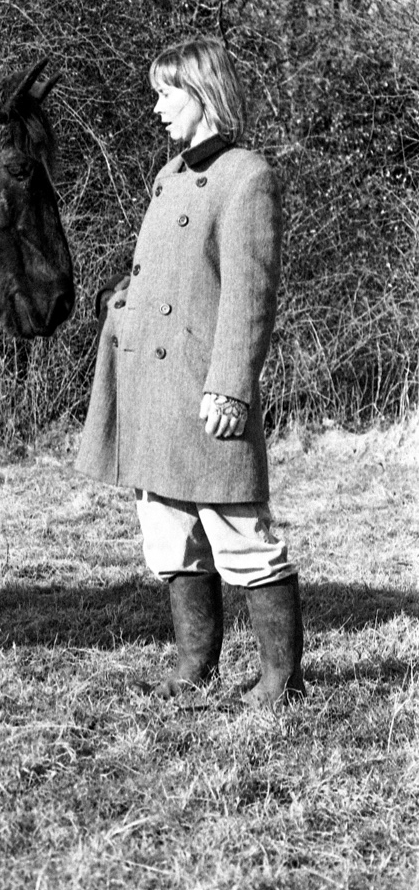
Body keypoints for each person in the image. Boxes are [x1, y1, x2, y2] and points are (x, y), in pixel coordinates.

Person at [77, 37, 304, 710]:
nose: (155, 107)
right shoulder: (170, 175)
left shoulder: (246, 175)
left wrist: (231, 384)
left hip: (204, 389)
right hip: (151, 385)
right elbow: (170, 272)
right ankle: (194, 663)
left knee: (239, 529)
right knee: (168, 529)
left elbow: (248, 293)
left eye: (165, 93)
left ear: (201, 93)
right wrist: (123, 301)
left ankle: (281, 678)